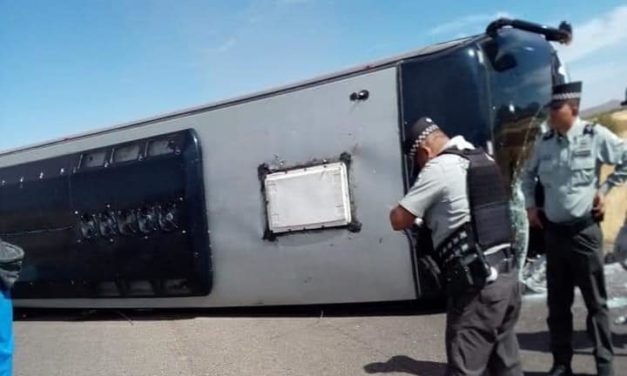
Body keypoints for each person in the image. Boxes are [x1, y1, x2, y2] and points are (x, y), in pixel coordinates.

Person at [389, 117, 522, 376]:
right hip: (507, 279)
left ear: (425, 152)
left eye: (418, 161)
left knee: (465, 368)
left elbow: (399, 219)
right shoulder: (481, 158)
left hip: (477, 287)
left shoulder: (438, 167)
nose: (420, 167)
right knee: (506, 365)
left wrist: (398, 209)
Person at [521, 81, 627, 376]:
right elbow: (527, 177)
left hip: (584, 234)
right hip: (554, 235)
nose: (552, 114)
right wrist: (530, 206)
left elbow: (625, 160)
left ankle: (604, 365)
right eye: (551, 108)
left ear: (574, 109)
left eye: (557, 108)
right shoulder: (544, 143)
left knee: (597, 305)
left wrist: (605, 189)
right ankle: (561, 363)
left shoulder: (595, 136)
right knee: (558, 306)